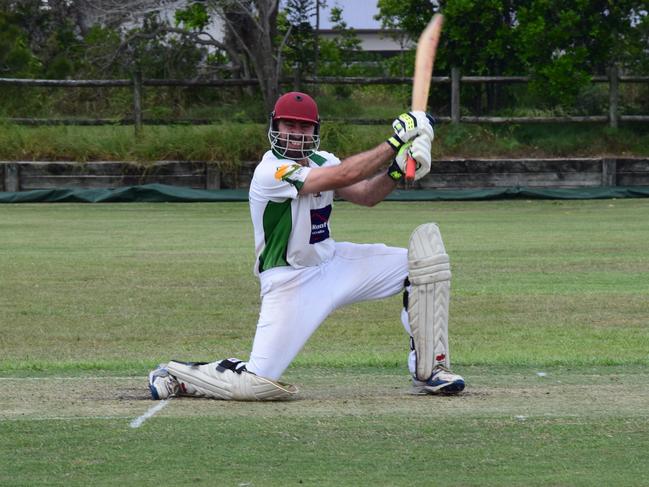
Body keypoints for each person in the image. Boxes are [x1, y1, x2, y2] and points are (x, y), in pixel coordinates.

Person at [148, 91, 465, 401]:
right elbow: (345, 173)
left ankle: (431, 370)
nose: (296, 134)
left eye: (304, 127)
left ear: (315, 130)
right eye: (289, 126)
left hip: (334, 264)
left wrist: (397, 167)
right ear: (275, 126)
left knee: (425, 264)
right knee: (256, 384)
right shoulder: (271, 171)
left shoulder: (323, 159)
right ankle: (178, 374)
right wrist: (396, 141)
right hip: (289, 282)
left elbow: (367, 194)